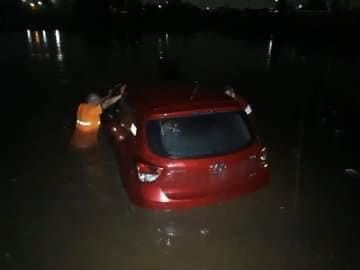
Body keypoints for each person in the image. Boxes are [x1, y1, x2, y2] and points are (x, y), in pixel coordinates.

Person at [70, 83, 127, 148]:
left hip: (79, 141)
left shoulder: (82, 106)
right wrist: (120, 95)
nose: (99, 101)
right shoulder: (92, 110)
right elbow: (106, 103)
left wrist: (108, 96)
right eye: (97, 100)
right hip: (84, 144)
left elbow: (101, 101)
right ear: (93, 101)